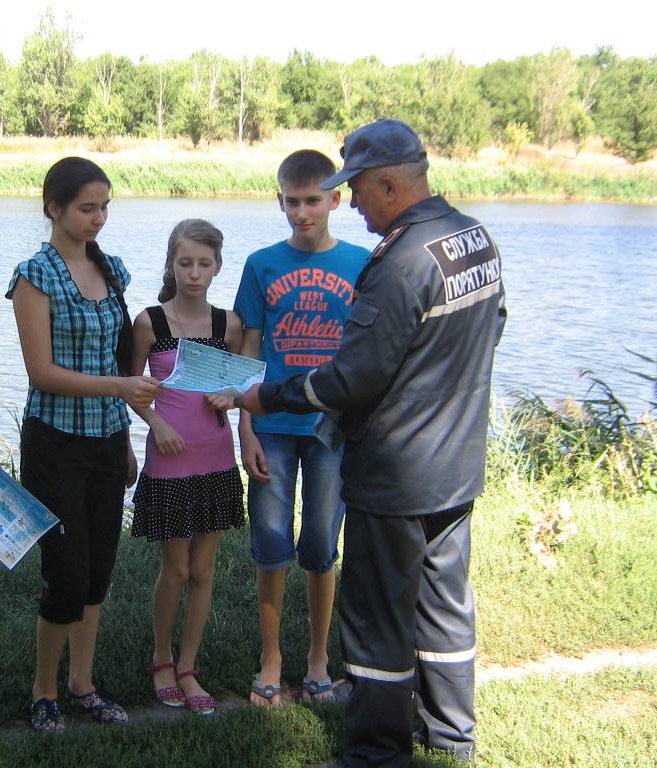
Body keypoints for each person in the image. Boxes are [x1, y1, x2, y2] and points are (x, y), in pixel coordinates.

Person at [235, 119, 506, 767]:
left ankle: (377, 753)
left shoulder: (400, 261)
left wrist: (266, 396)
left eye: (356, 188)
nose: (350, 202)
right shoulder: (472, 238)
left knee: (377, 618)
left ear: (389, 183)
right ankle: (450, 737)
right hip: (458, 464)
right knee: (444, 607)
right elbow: (491, 331)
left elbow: (353, 377)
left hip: (397, 472)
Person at [5, 157, 162, 732]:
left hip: (105, 440)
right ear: (54, 208)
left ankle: (83, 683)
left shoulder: (112, 270)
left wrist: (124, 437)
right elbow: (41, 372)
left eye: (105, 207)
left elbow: (113, 358)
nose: (98, 218)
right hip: (55, 443)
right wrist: (120, 387)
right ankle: (43, 691)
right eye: (86, 208)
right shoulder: (34, 276)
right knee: (66, 574)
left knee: (98, 572)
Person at [232, 150, 370, 707]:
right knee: (269, 542)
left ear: (336, 199)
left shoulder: (363, 263)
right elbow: (246, 349)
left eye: (313, 201)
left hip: (331, 429)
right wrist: (244, 428)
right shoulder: (261, 264)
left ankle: (318, 659)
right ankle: (271, 658)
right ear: (279, 200)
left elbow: (369, 354)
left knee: (320, 542)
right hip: (270, 425)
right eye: (292, 201)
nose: (301, 212)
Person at [129, 219, 246, 716]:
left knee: (203, 570)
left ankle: (188, 667)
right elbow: (128, 385)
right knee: (174, 570)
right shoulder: (149, 322)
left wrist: (233, 395)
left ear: (217, 267)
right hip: (169, 460)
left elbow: (241, 384)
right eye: (185, 263)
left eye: (204, 264)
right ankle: (161, 659)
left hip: (217, 458)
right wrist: (155, 421)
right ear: (171, 265)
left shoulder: (228, 325)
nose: (194, 273)